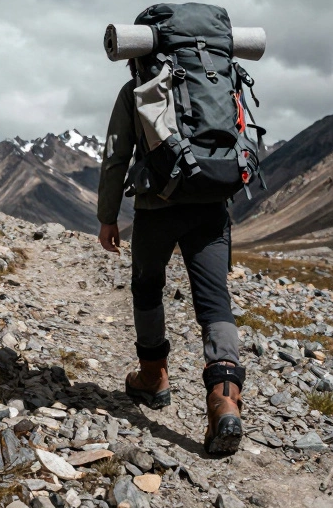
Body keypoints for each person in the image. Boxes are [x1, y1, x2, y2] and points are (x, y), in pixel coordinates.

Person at [96, 62, 245, 455]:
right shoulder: (217, 80)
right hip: (212, 205)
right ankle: (225, 397)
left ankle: (153, 377)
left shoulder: (137, 89)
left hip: (156, 208)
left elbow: (116, 155)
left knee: (147, 286)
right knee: (215, 302)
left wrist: (107, 217)